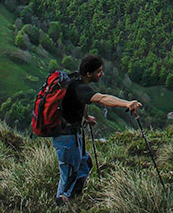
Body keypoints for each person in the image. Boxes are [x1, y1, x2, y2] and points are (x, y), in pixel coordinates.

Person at [53, 54, 142, 208]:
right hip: (66, 138)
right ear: (89, 74)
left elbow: (83, 101)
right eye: (99, 71)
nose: (101, 74)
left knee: (85, 165)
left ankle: (72, 201)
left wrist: (85, 117)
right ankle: (62, 205)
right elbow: (102, 98)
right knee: (67, 177)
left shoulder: (76, 80)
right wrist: (126, 103)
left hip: (72, 135)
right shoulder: (79, 87)